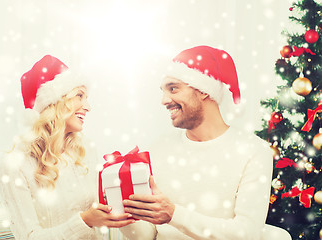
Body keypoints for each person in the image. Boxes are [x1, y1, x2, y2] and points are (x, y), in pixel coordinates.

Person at [120, 45, 292, 240]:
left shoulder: (253, 151)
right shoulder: (158, 149)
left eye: (173, 88)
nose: (164, 100)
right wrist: (122, 215)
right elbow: (146, 236)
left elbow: (246, 233)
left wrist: (174, 214)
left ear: (203, 90)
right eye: (163, 91)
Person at [0, 55, 134, 240]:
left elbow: (97, 209)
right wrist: (84, 221)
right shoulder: (16, 164)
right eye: (79, 96)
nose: (88, 107)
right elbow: (29, 237)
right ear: (54, 102)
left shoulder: (84, 150)